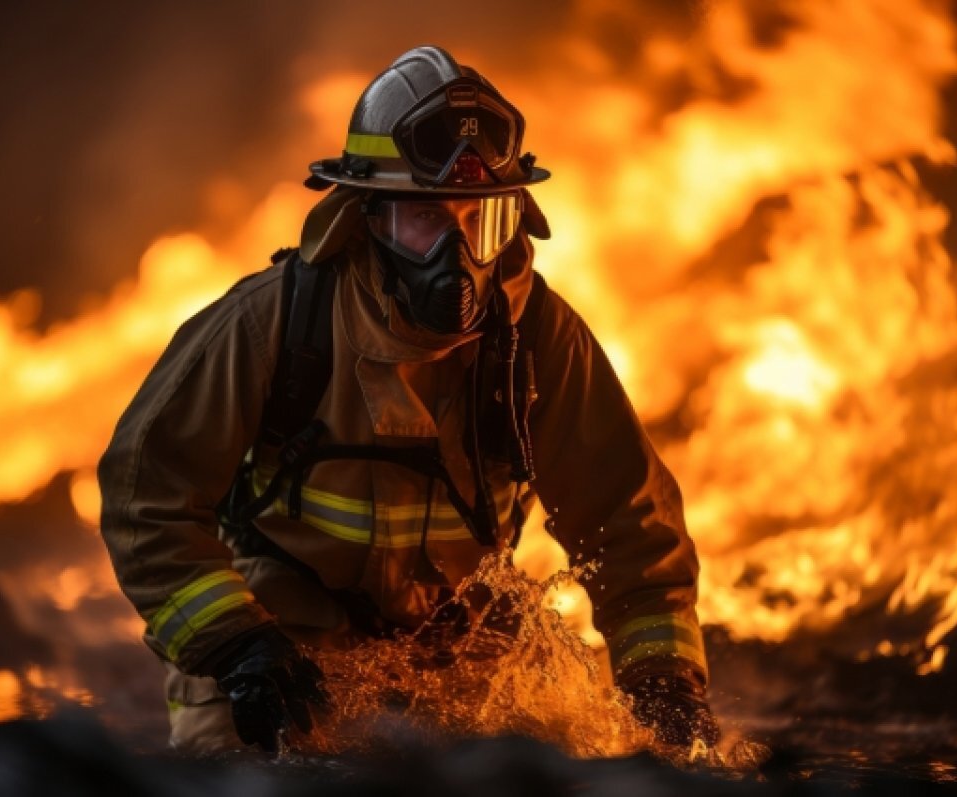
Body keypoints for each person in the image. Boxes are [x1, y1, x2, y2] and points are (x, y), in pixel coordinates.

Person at [98, 45, 718, 755]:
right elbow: (144, 494)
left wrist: (667, 684)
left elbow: (631, 529)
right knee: (240, 777)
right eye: (425, 220)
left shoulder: (537, 339)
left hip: (461, 658)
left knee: (545, 764)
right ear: (368, 218)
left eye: (479, 223)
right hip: (284, 655)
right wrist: (236, 645)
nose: (454, 257)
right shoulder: (274, 324)